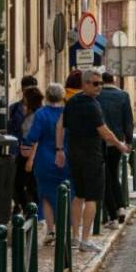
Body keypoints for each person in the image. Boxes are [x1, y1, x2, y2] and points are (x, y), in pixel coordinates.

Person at [56, 69, 131, 252]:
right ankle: (85, 240)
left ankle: (74, 237)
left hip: (74, 152)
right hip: (91, 154)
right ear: (86, 84)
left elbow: (60, 125)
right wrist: (120, 145)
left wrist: (59, 149)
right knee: (92, 198)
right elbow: (104, 131)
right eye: (96, 84)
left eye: (100, 84)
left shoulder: (72, 101)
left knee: (79, 195)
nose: (99, 88)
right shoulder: (92, 105)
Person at [23, 84, 70, 242]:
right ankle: (64, 229)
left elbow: (33, 135)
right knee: (65, 194)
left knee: (46, 196)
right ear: (62, 96)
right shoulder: (67, 113)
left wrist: (25, 143)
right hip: (65, 159)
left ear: (47, 97)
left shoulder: (41, 114)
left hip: (44, 160)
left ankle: (50, 230)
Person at [97, 71, 135, 227]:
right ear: (113, 81)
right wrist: (129, 141)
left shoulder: (97, 95)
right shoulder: (123, 96)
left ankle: (113, 214)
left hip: (100, 142)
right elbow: (128, 121)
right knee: (114, 175)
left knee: (104, 178)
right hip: (117, 142)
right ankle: (120, 208)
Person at [7, 76, 39, 212]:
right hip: (16, 152)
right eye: (26, 90)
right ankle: (23, 207)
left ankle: (34, 212)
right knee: (16, 183)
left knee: (33, 184)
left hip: (34, 153)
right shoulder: (14, 109)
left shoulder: (39, 111)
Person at [13, 86, 45, 214]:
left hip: (31, 156)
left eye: (25, 97)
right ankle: (30, 212)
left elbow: (37, 139)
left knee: (31, 186)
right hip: (23, 154)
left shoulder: (36, 116)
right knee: (19, 184)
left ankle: (36, 213)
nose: (23, 99)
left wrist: (31, 160)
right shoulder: (30, 113)